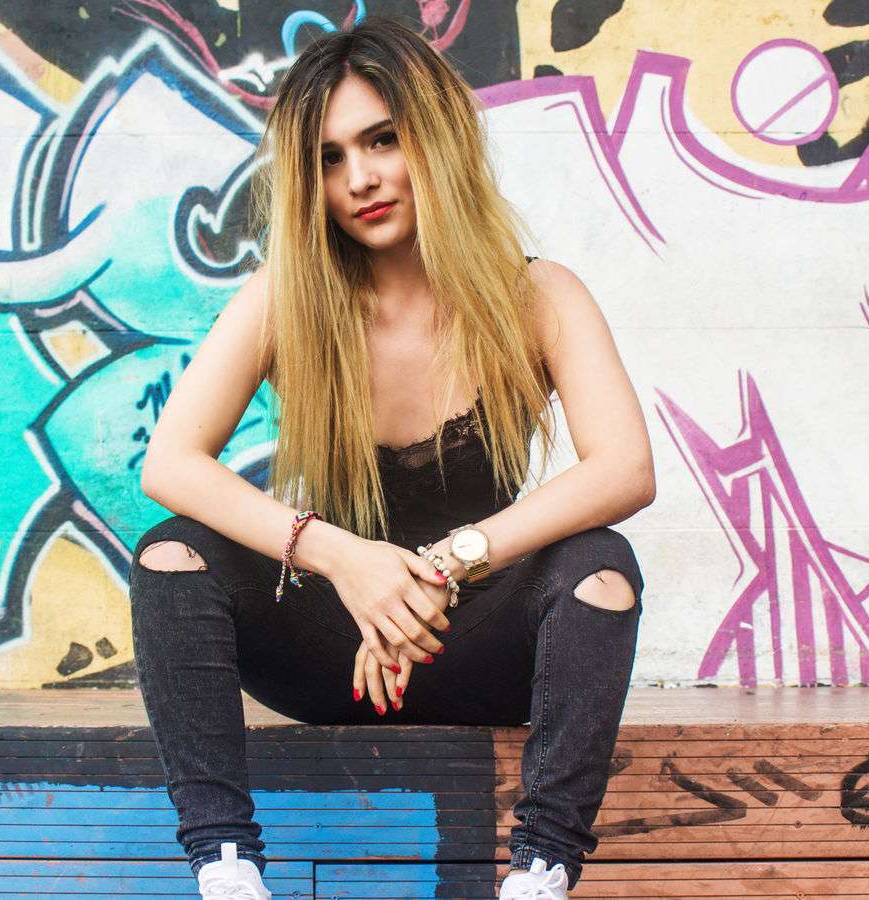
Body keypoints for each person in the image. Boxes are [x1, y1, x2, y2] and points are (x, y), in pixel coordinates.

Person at [129, 16, 654, 900]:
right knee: (170, 552)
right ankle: (226, 869)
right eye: (329, 158)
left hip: (482, 650)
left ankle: (540, 872)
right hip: (330, 653)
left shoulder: (536, 295)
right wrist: (346, 561)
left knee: (601, 566)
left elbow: (624, 469)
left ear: (435, 138)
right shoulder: (288, 299)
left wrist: (444, 566)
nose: (359, 178)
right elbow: (172, 462)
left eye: (382, 140)